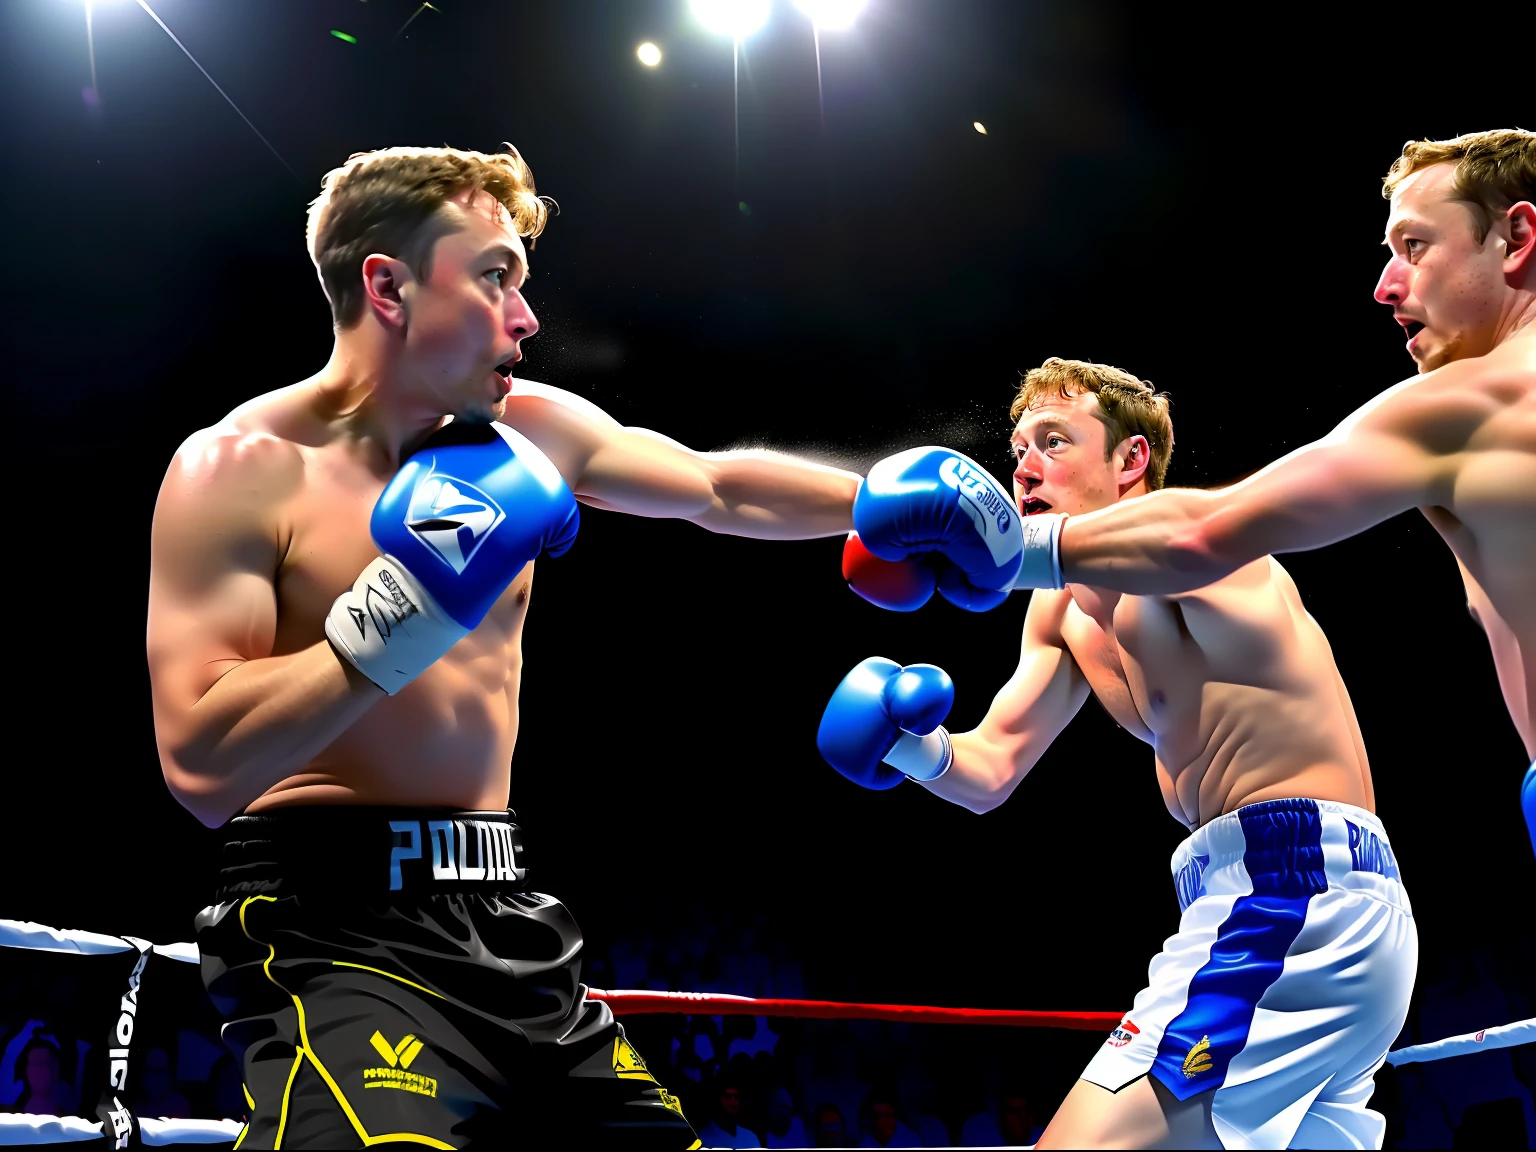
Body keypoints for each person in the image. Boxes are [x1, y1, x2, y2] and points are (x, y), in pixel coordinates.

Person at [146, 143, 1022, 1149]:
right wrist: (402, 608)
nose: (527, 319)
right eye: (493, 278)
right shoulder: (239, 473)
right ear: (386, 286)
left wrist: (877, 503)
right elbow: (200, 766)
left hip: (503, 910)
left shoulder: (527, 433)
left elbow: (713, 486)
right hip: (327, 919)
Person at [821, 358, 1418, 1149]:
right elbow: (994, 768)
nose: (1024, 466)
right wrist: (909, 746)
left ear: (1131, 462)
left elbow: (1172, 547)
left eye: (1055, 441)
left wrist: (996, 544)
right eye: (1018, 446)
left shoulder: (1197, 537)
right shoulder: (1059, 610)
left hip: (1292, 896)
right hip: (1261, 901)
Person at [1003, 129, 1536, 856]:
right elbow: (993, 763)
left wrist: (994, 545)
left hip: (1291, 852)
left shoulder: (1478, 399)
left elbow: (1204, 531)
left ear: (1516, 237)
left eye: (1414, 245)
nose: (1385, 284)